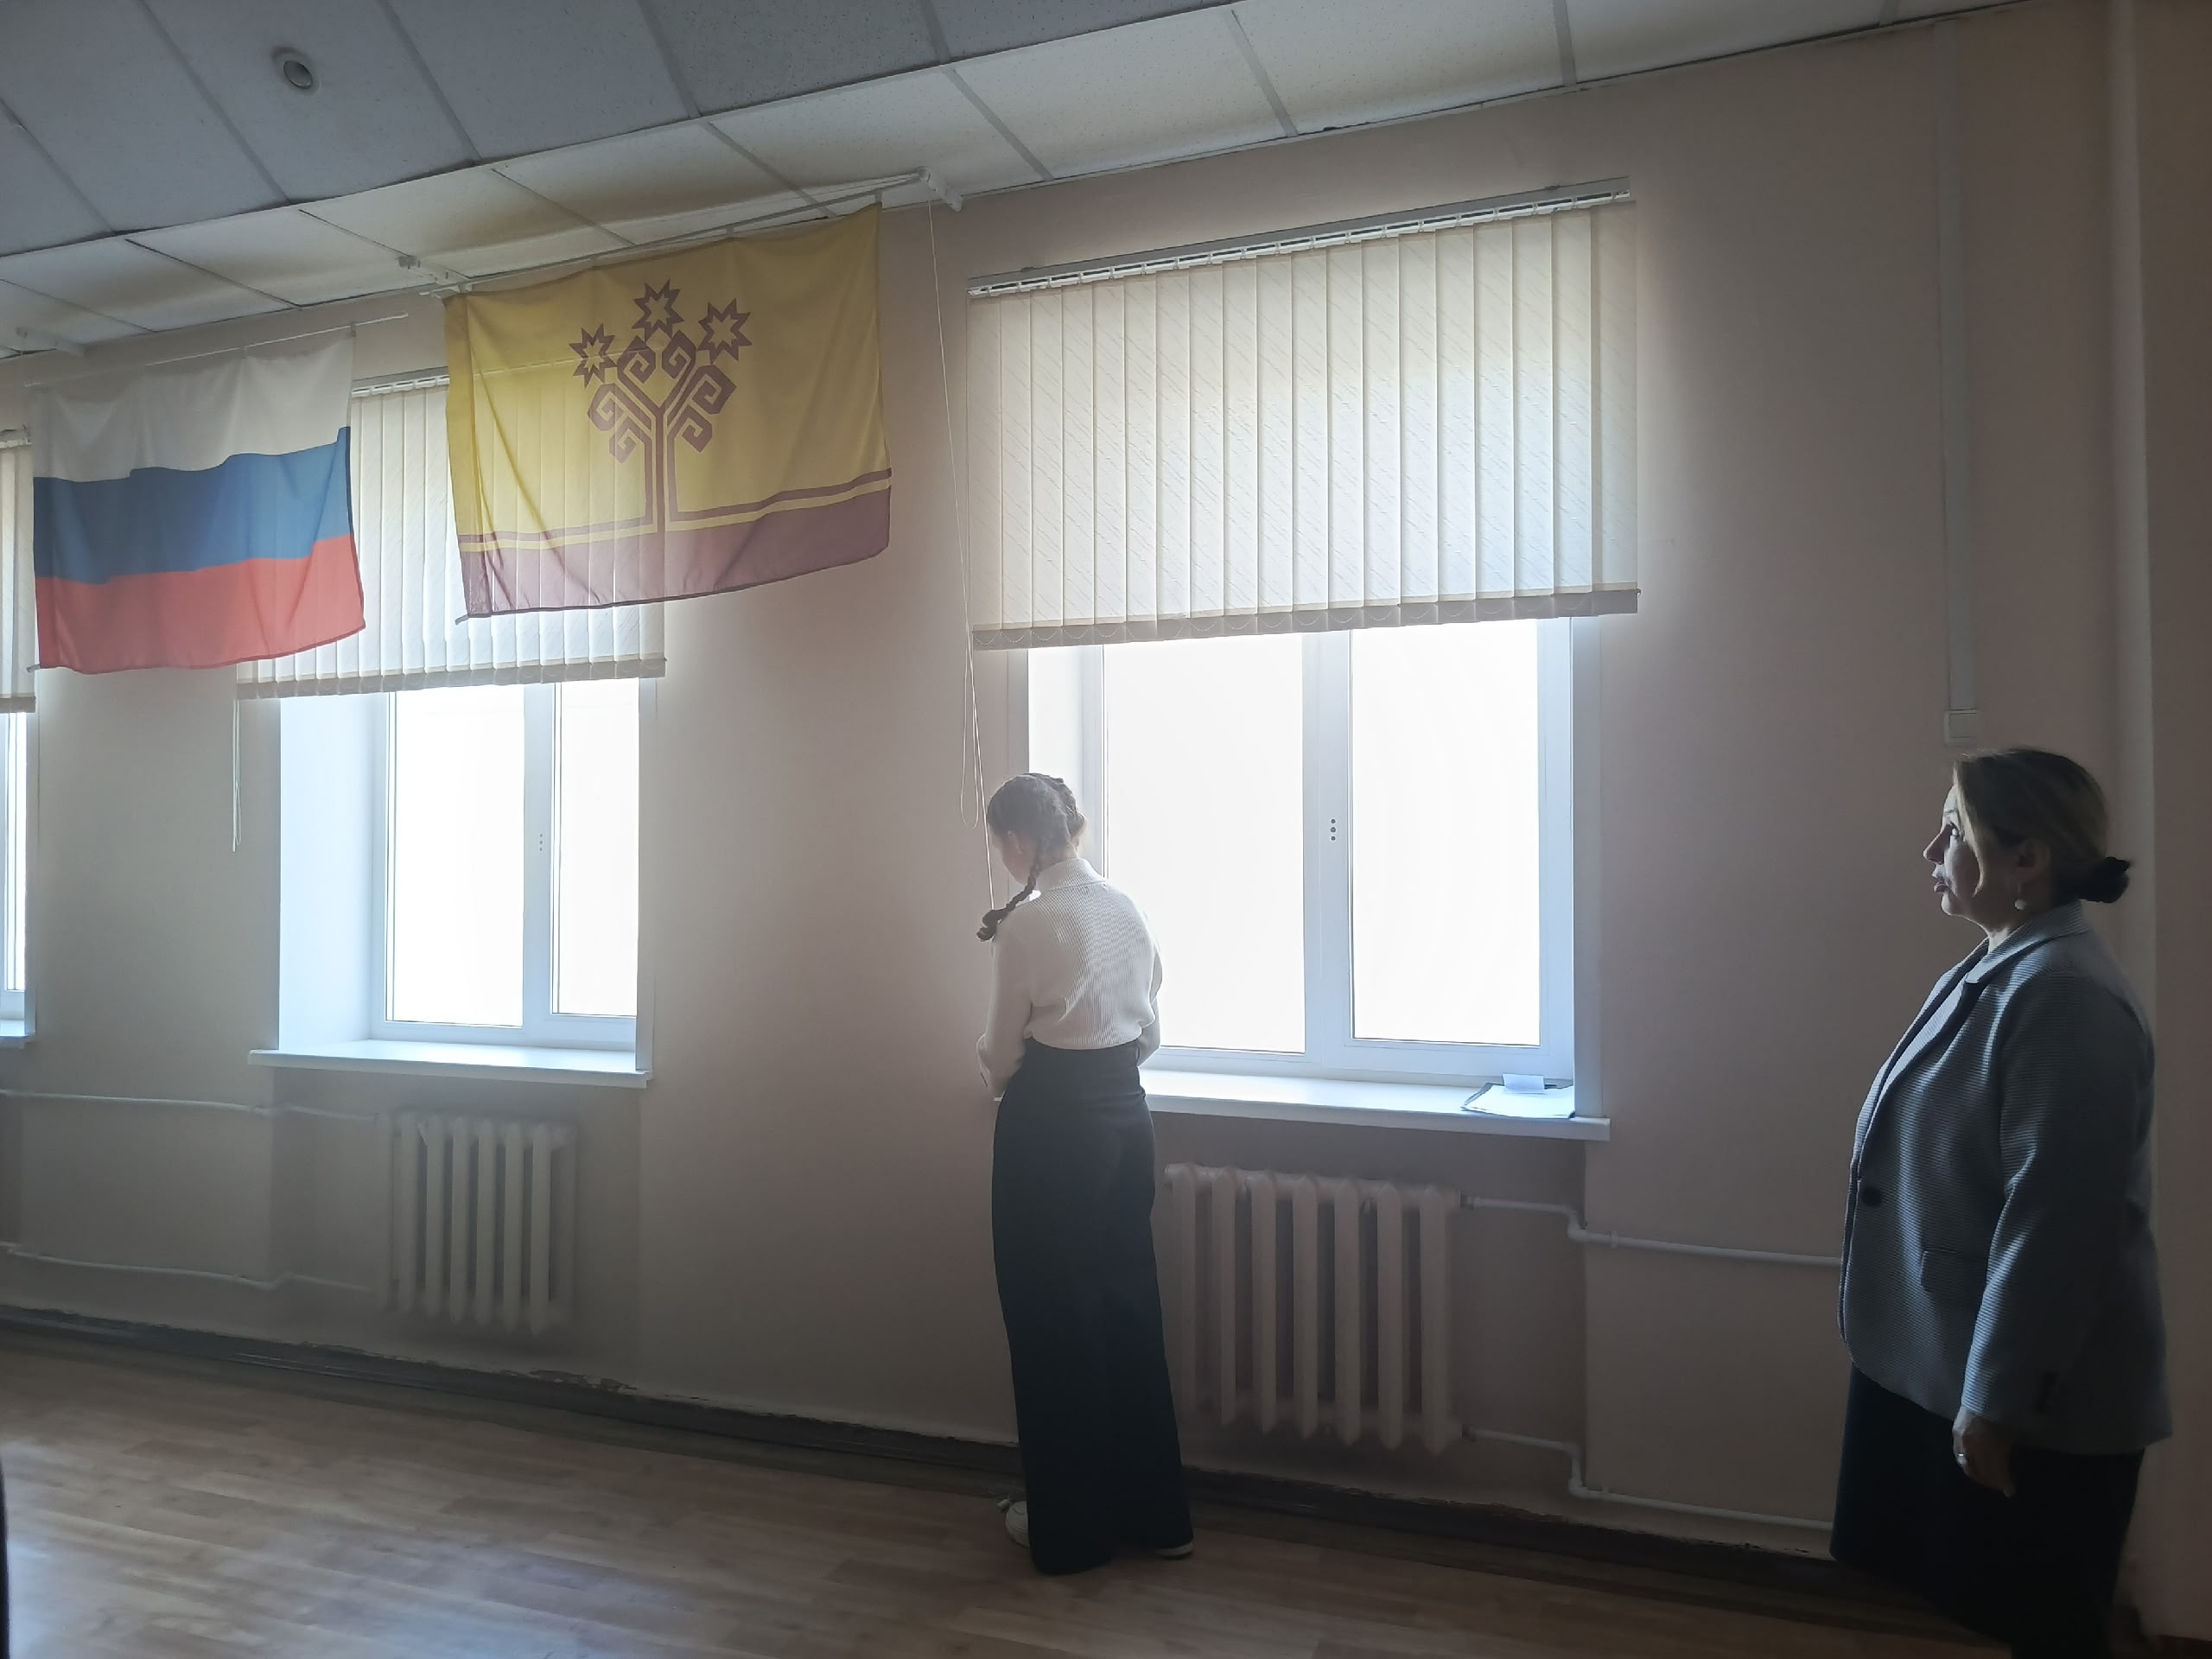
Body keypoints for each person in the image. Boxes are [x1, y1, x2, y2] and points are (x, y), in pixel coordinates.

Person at [1832, 749, 2169, 1657]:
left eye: (1954, 829)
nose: (1931, 849)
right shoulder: (2009, 966)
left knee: (2046, 1621)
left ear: (2027, 860)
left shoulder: (2064, 995)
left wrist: (1998, 1399)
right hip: (1959, 1350)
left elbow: (2060, 1222)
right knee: (1999, 1609)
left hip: (2033, 1389)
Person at [976, 772, 1193, 1574]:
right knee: (1128, 1304)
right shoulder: (1125, 907)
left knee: (1050, 1317)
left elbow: (1001, 1053)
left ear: (1018, 841)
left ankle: (1071, 1531)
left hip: (1051, 1128)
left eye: (1000, 845)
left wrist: (1003, 1077)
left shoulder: (1030, 925)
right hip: (1125, 1117)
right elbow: (1149, 1032)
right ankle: (1157, 1517)